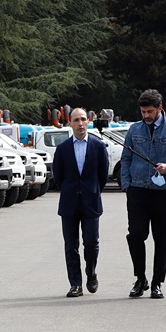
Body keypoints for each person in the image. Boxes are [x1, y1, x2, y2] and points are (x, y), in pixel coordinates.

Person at [120, 89, 166, 300]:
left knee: (163, 239)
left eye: (150, 111)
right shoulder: (134, 130)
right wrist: (127, 185)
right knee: (135, 235)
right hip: (137, 191)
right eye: (143, 112)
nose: (146, 116)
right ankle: (140, 279)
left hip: (164, 193)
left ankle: (157, 283)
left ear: (160, 108)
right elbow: (125, 158)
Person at [51, 107, 109, 297]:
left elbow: (103, 175)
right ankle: (75, 284)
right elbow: (58, 176)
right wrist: (70, 191)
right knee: (71, 246)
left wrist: (92, 191)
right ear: (70, 123)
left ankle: (91, 272)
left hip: (91, 202)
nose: (80, 123)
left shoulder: (98, 147)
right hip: (69, 204)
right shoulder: (62, 149)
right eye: (76, 120)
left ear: (88, 121)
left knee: (91, 243)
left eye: (83, 119)